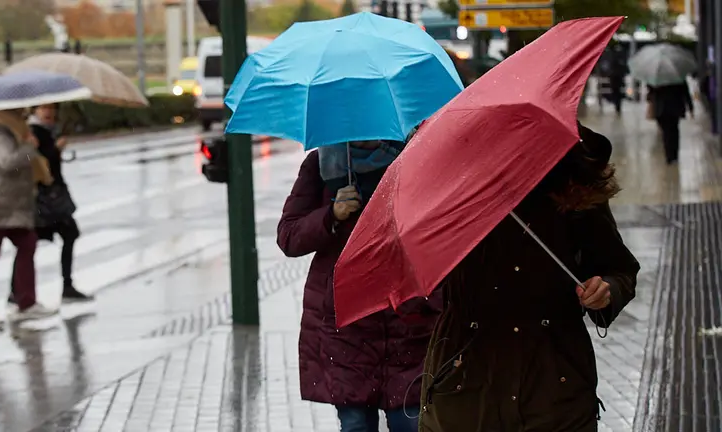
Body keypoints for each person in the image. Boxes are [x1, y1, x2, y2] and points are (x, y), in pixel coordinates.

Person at [418, 124, 641, 432]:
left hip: (554, 388)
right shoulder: (448, 184)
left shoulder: (572, 183)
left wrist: (606, 291)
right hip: (466, 387)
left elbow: (618, 268)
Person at [277, 140, 441, 432]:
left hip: (407, 318)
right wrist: (332, 216)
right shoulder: (324, 164)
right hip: (348, 326)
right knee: (356, 425)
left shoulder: (418, 156)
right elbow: (289, 236)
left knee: (410, 422)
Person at [0, 109, 58, 328]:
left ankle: (26, 302)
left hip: (14, 204)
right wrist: (28, 148)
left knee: (27, 244)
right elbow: (7, 162)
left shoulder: (17, 130)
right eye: (20, 110)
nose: (24, 113)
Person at [8, 104, 92, 305]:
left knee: (67, 235)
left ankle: (66, 285)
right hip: (40, 197)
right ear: (35, 110)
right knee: (28, 243)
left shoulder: (49, 131)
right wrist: (55, 149)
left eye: (51, 108)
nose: (48, 112)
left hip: (55, 196)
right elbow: (35, 162)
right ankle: (17, 291)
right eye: (43, 108)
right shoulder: (32, 132)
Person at [648, 81, 694, 165]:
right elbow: (685, 92)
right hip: (674, 107)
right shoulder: (678, 77)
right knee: (674, 131)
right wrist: (691, 108)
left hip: (661, 109)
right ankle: (674, 156)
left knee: (666, 133)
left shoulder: (657, 79)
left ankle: (669, 156)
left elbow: (651, 93)